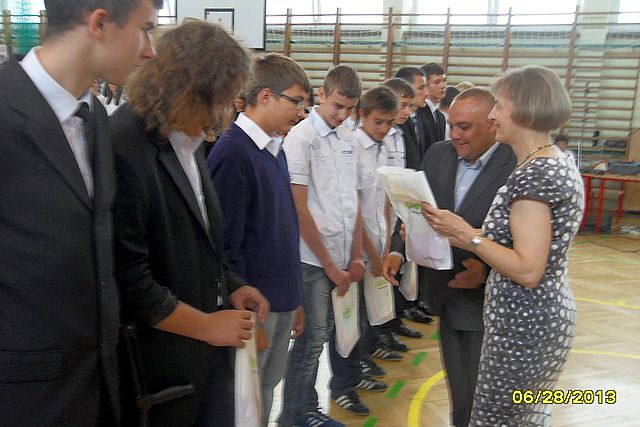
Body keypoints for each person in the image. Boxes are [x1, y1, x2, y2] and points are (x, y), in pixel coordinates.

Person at [0, 0, 161, 424]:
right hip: (22, 400)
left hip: (94, 390)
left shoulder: (95, 118)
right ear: (100, 23)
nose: (150, 50)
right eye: (146, 29)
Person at [111, 21, 269, 426]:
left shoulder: (189, 138)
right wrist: (207, 326)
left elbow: (198, 242)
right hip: (161, 364)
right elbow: (129, 278)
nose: (226, 112)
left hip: (204, 356)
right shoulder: (124, 145)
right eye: (221, 101)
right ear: (190, 91)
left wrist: (232, 286)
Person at [421, 65, 584, 425]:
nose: (493, 114)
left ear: (524, 110)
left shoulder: (535, 173)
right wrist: (459, 232)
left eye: (500, 106)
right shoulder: (550, 162)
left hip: (524, 323)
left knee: (501, 418)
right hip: (531, 318)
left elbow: (527, 268)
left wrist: (469, 236)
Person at [383, 88, 516, 427]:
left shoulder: (516, 163)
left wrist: (486, 272)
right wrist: (398, 249)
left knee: (486, 398)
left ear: (492, 125)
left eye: (465, 127)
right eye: (452, 125)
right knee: (461, 393)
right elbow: (414, 207)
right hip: (445, 292)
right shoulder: (438, 154)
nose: (455, 134)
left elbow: (526, 242)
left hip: (491, 303)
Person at [207, 53, 309, 427]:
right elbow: (224, 246)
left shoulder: (273, 149)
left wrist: (295, 298)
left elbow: (284, 233)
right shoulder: (233, 152)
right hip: (256, 308)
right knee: (246, 401)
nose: (301, 112)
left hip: (280, 300)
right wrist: (246, 317)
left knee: (265, 390)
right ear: (266, 96)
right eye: (296, 101)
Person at [279, 65, 368, 426]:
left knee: (328, 333)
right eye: (337, 106)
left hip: (343, 256)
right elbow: (298, 208)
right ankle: (294, 415)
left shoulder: (348, 138)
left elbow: (354, 201)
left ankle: (306, 407)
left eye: (350, 109)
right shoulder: (301, 137)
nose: (342, 115)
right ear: (321, 95)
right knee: (312, 340)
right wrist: (330, 264)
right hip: (312, 259)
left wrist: (357, 254)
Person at [354, 86, 407, 372]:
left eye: (389, 122)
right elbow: (353, 208)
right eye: (378, 122)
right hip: (356, 246)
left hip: (378, 240)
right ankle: (351, 371)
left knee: (372, 308)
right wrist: (373, 254)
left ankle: (368, 354)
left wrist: (387, 244)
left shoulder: (383, 147)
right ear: (362, 114)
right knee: (353, 315)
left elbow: (386, 197)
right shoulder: (351, 147)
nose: (384, 129)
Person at [419, 62, 447, 145]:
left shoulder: (440, 116)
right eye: (436, 82)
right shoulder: (418, 113)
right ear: (424, 85)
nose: (443, 86)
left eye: (444, 81)